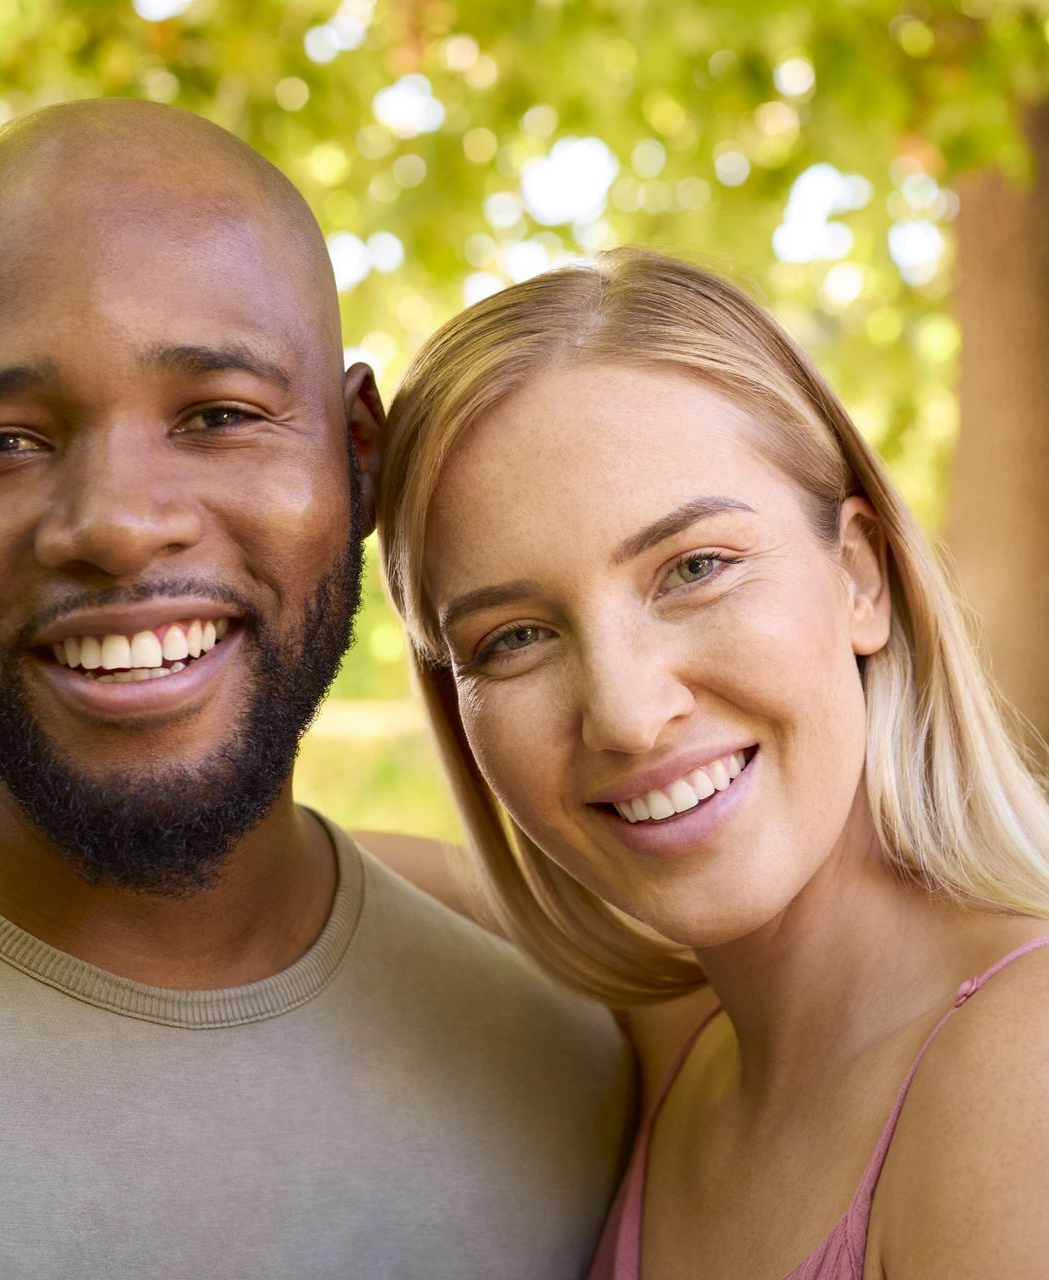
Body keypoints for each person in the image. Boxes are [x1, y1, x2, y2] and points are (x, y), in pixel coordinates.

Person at [0, 100, 628, 1280]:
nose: (119, 525)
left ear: (356, 456)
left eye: (219, 414)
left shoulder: (582, 1065)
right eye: (1, 441)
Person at [375, 249, 1049, 1277]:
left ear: (858, 574)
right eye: (512, 637)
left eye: (693, 568)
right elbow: (296, 868)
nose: (628, 714)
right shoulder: (679, 1035)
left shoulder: (1019, 1068)